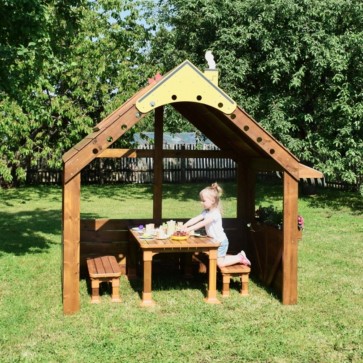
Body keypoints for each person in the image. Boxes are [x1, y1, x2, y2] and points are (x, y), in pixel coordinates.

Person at [181, 182, 251, 268]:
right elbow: (196, 219)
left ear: (213, 201)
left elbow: (202, 223)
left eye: (203, 201)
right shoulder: (206, 212)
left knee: (220, 263)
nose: (201, 203)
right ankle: (238, 256)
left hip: (220, 242)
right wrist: (185, 225)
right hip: (214, 241)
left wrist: (189, 229)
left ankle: (239, 257)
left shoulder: (215, 214)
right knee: (215, 259)